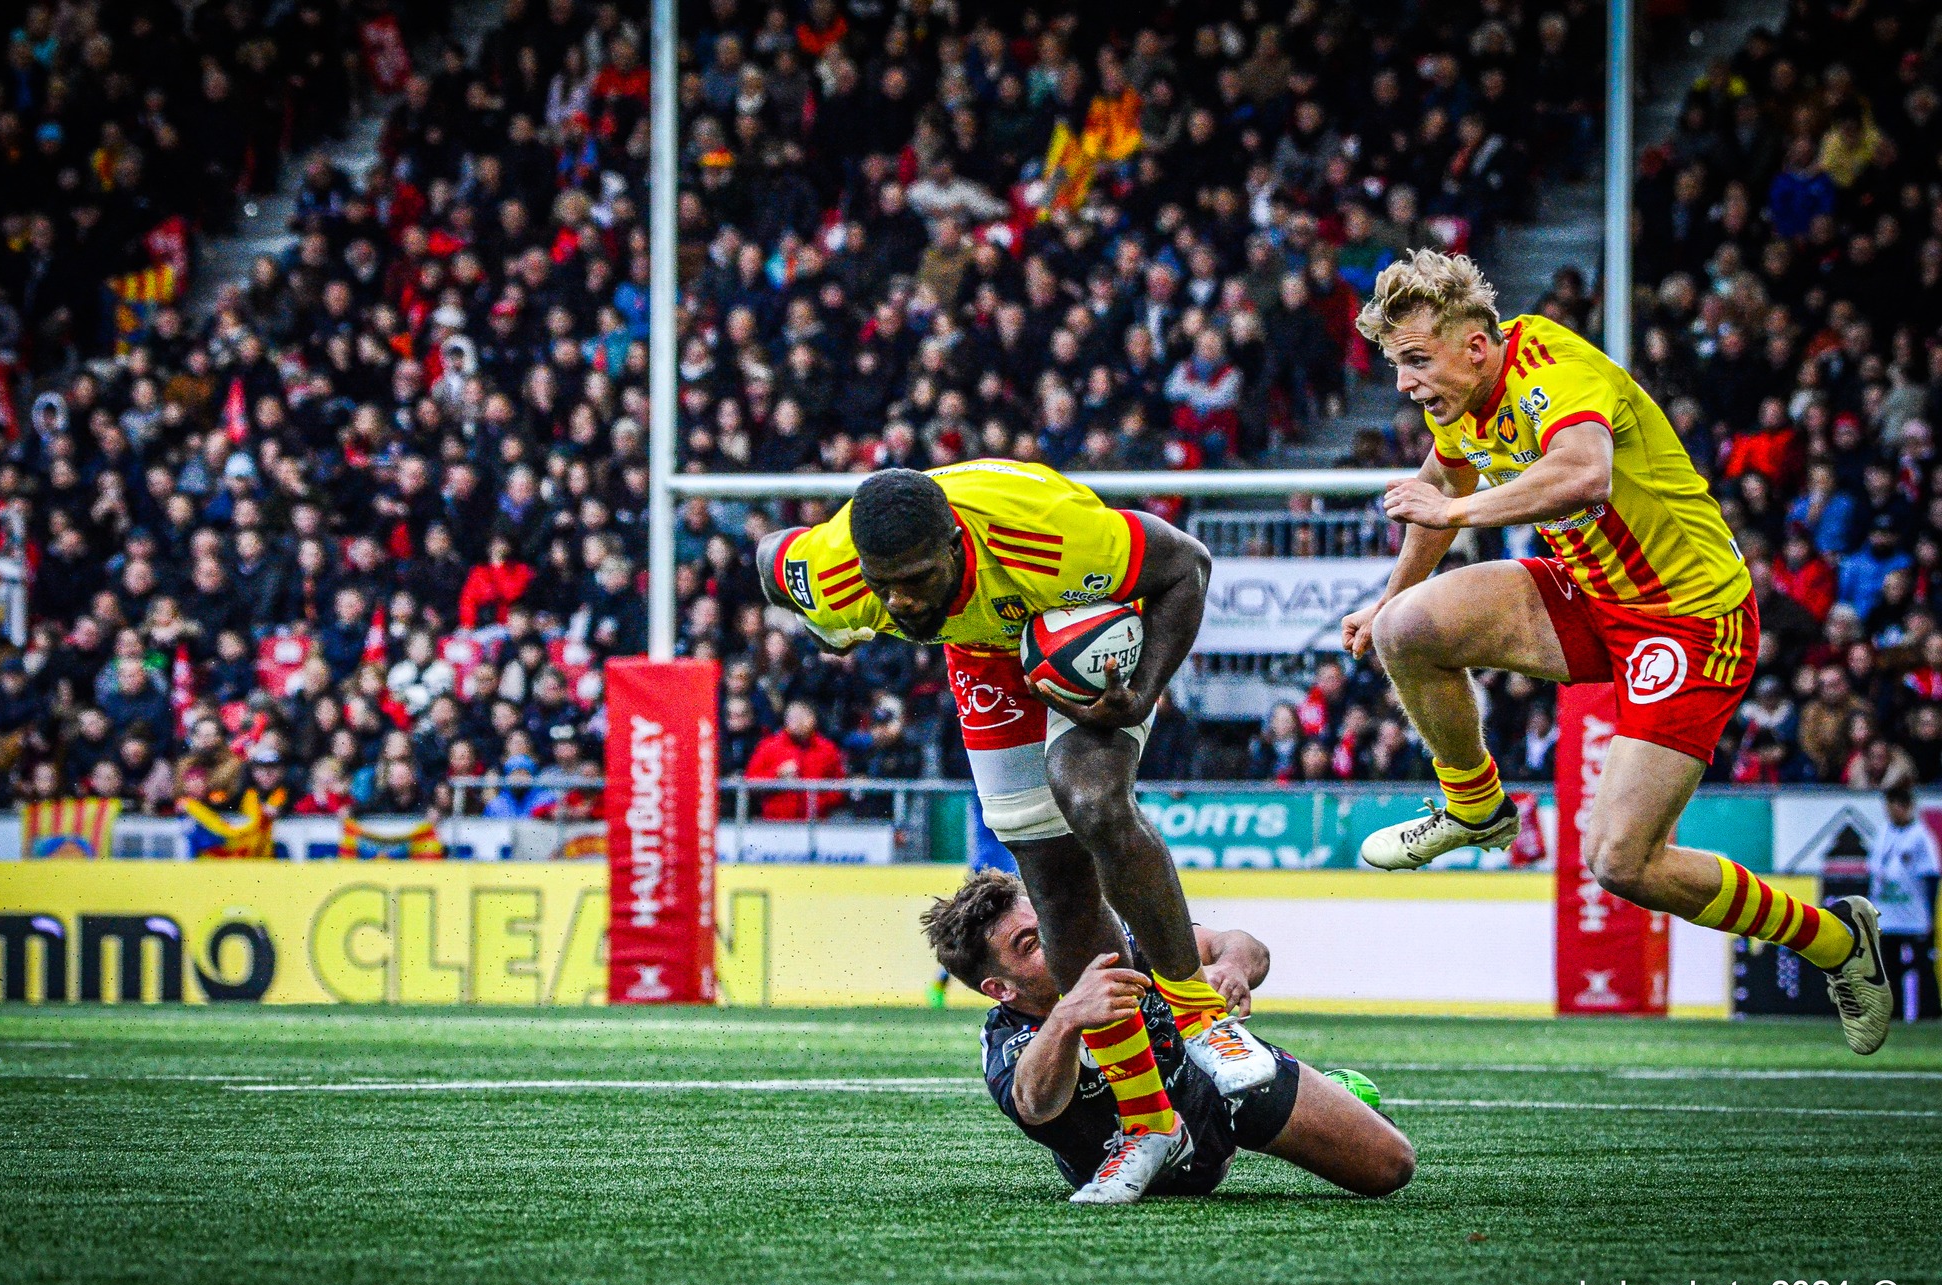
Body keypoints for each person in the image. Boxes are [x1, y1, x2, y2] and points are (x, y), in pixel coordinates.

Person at [1341, 250, 1891, 1055]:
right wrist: (1388, 596)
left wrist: (1457, 511)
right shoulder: (1455, 395)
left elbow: (1583, 474)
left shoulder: (1551, 368)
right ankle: (1475, 806)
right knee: (1405, 630)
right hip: (1591, 593)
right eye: (1397, 364)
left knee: (1621, 862)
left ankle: (1837, 941)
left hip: (1689, 619)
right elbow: (1444, 487)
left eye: (1415, 361)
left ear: (1476, 345)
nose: (1404, 383)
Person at [757, 461, 1274, 1202]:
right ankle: (1149, 1120)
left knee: (1092, 801)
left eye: (917, 579)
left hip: (1086, 623)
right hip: (983, 657)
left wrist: (1144, 692)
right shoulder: (833, 571)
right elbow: (769, 559)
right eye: (883, 585)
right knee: (1055, 888)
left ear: (956, 544)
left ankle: (1200, 1020)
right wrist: (824, 623)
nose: (899, 601)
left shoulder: (1049, 538)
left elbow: (1187, 565)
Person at [923, 868, 1414, 1202]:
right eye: (1031, 944)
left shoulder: (1119, 949)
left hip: (1215, 1095)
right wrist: (1068, 1017)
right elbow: (1035, 1104)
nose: (1056, 942)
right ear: (1001, 989)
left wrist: (1232, 968)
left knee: (1390, 1167)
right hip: (1124, 1165)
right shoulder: (1006, 1039)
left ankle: (1332, 1091)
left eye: (1048, 926)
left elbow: (1239, 945)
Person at [1867, 786, 1939, 1023]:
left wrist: (1929, 915)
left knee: (1922, 968)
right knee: (1889, 968)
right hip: (1887, 915)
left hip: (1914, 915)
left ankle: (1928, 1015)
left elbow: (1931, 876)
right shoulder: (1883, 832)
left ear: (1905, 806)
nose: (1888, 812)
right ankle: (1894, 1015)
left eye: (1892, 806)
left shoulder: (1920, 836)